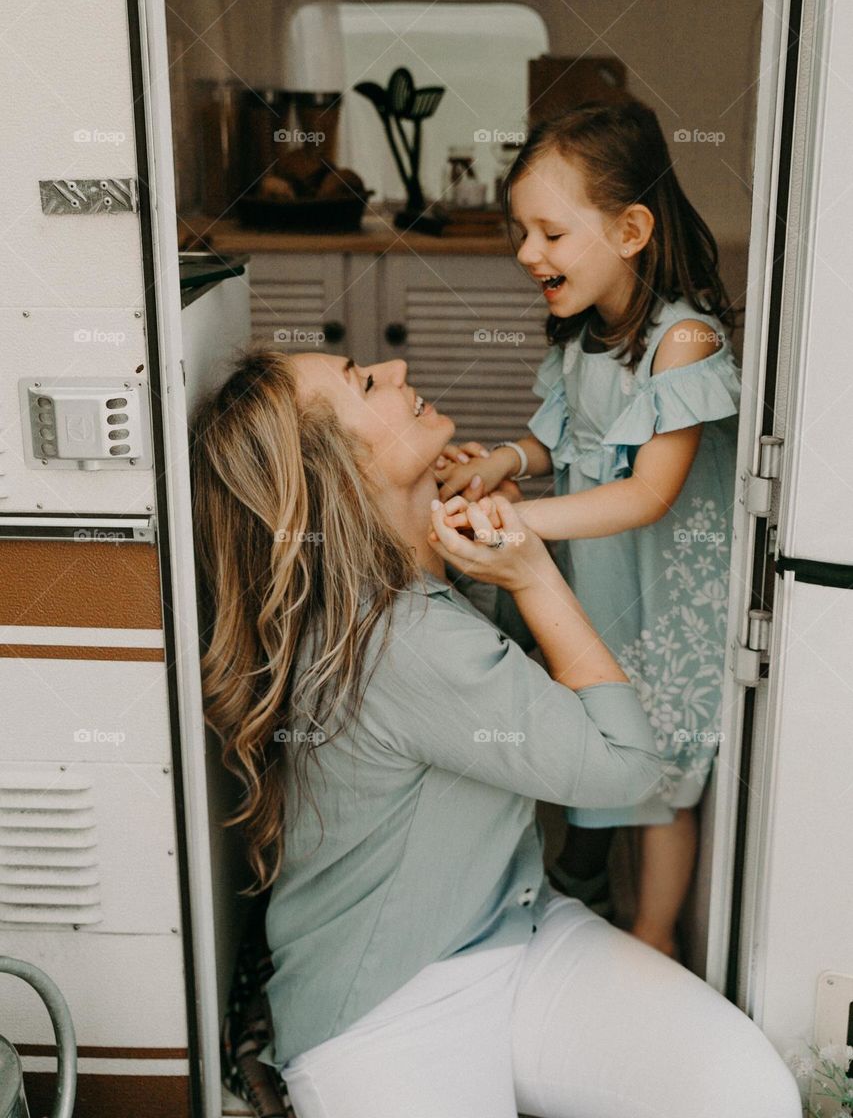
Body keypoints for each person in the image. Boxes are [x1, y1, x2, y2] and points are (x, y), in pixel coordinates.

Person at [188, 347, 800, 1118]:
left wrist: (499, 549)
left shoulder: (405, 592)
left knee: (747, 1093)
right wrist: (532, 573)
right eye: (363, 382)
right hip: (383, 1009)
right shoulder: (403, 641)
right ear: (339, 473)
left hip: (517, 933)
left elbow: (519, 671)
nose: (396, 366)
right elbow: (624, 768)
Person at [437, 100, 740, 958]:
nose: (525, 252)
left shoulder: (682, 341)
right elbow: (565, 444)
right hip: (602, 591)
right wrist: (503, 463)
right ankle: (588, 898)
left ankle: (654, 939)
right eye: (520, 233)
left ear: (630, 230)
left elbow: (645, 493)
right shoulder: (585, 338)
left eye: (550, 233)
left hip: (663, 598)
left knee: (661, 780)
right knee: (607, 741)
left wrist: (516, 519)